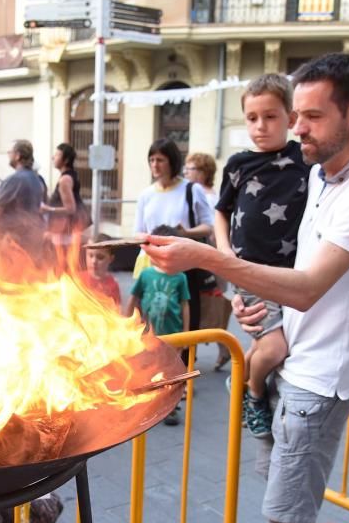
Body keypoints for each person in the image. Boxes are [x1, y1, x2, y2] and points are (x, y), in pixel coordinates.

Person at [145, 53, 349, 523]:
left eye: (312, 116)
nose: (298, 128)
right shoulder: (320, 175)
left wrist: (206, 258)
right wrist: (274, 315)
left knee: (290, 512)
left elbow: (312, 284)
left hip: (321, 379)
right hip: (293, 356)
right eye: (298, 114)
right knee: (276, 487)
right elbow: (300, 276)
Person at [214, 73, 310, 439]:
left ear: (290, 116)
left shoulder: (304, 158)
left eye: (270, 116)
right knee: (274, 347)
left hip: (290, 274)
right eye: (252, 118)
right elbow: (221, 210)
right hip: (249, 272)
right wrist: (224, 253)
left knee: (264, 346)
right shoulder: (239, 164)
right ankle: (254, 394)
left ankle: (240, 382)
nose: (260, 126)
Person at [134, 138, 215, 333]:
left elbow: (208, 226)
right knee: (150, 320)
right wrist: (150, 242)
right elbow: (137, 231)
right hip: (151, 264)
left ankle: (185, 359)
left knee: (184, 318)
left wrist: (185, 233)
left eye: (160, 159)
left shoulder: (191, 189)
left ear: (172, 161)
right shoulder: (146, 194)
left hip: (183, 264)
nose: (155, 165)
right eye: (151, 160)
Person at [128, 225, 190, 425]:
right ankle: (149, 405)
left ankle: (170, 407)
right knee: (150, 369)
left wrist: (187, 333)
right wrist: (127, 323)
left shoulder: (180, 277)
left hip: (173, 333)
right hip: (149, 335)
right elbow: (134, 299)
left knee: (171, 372)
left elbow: (185, 305)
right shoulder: (146, 275)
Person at [185, 151, 234, 371]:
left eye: (191, 168)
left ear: (203, 172)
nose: (186, 172)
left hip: (208, 259)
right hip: (208, 258)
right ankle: (220, 346)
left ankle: (219, 346)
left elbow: (213, 230)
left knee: (207, 306)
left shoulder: (207, 196)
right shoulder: (198, 192)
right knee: (208, 306)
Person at [0, 139, 46, 232]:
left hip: (15, 236)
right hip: (34, 233)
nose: (8, 155)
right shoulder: (38, 179)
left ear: (17, 156)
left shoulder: (14, 179)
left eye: (10, 152)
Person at [41, 142, 87, 245]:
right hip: (66, 230)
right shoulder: (70, 176)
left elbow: (70, 208)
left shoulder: (65, 180)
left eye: (57, 155)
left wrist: (47, 209)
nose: (53, 157)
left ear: (66, 160)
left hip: (64, 232)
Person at [77, 234, 121, 308]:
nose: (94, 261)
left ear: (110, 259)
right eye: (90, 255)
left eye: (100, 257)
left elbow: (116, 310)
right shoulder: (77, 279)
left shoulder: (112, 285)